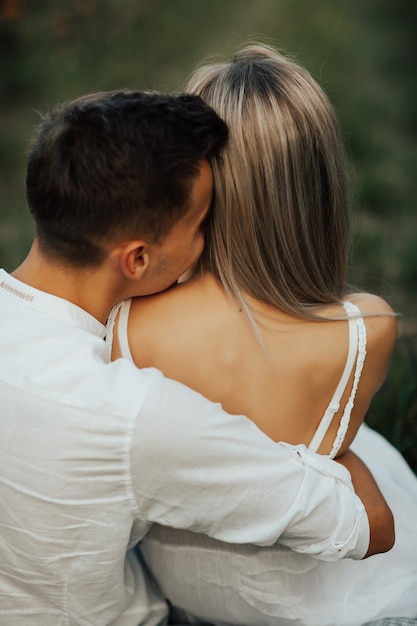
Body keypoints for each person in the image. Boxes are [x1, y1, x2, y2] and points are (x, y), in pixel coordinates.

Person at [0, 89, 393, 625]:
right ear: (137, 257)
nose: (211, 241)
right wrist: (331, 447)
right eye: (204, 223)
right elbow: (369, 526)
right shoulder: (134, 414)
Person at [109, 46, 417, 625]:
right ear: (319, 188)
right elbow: (334, 455)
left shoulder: (128, 319)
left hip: (187, 584)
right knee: (361, 452)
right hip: (308, 587)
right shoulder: (367, 327)